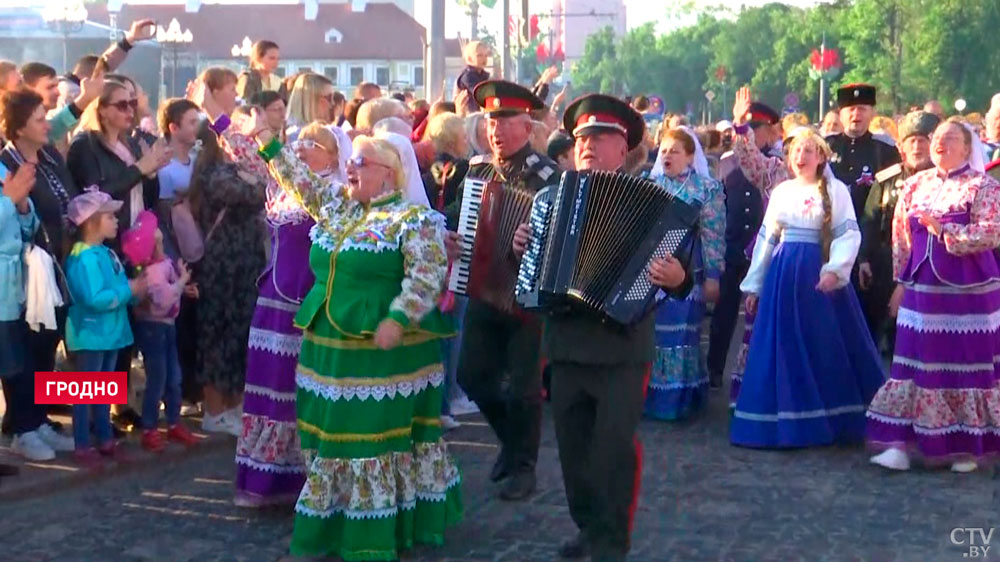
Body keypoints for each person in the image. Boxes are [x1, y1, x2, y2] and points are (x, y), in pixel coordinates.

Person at [247, 113, 462, 559]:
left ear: (390, 171)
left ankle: (373, 532)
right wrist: (267, 139)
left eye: (361, 162)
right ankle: (337, 515)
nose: (351, 167)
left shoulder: (413, 219)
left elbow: (426, 275)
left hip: (381, 357)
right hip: (327, 351)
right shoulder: (338, 206)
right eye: (352, 161)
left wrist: (398, 318)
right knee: (327, 436)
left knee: (367, 440)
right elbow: (300, 179)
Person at [512, 94, 691, 562]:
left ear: (623, 147)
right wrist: (521, 248)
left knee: (612, 449)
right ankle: (588, 526)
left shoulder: (656, 201)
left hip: (622, 348)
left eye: (601, 138)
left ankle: (612, 540)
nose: (588, 146)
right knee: (572, 451)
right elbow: (532, 266)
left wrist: (678, 277)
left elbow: (682, 271)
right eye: (582, 138)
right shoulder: (551, 198)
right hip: (567, 344)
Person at [731, 127, 885, 449]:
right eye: (796, 151)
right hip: (784, 276)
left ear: (820, 157)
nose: (801, 157)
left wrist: (835, 270)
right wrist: (756, 285)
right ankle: (785, 419)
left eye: (808, 151)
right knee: (784, 343)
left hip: (819, 278)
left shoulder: (836, 190)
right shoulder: (782, 192)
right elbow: (766, 239)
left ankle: (832, 417)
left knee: (823, 342)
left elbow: (848, 234)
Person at [867, 118, 1000, 473]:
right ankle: (900, 443)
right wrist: (900, 280)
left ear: (967, 147)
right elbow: (900, 236)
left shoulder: (983, 186)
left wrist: (945, 232)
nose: (940, 143)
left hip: (968, 293)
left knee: (964, 366)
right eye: (936, 138)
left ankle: (966, 447)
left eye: (950, 138)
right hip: (922, 289)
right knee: (911, 362)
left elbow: (991, 233)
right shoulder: (914, 185)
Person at [445, 80, 557, 501]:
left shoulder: (550, 176)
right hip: (484, 288)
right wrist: (452, 234)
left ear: (527, 128)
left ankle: (523, 468)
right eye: (492, 121)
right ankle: (512, 444)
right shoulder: (475, 170)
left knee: (526, 386)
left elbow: (562, 241)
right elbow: (458, 215)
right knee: (471, 374)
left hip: (529, 296)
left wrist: (533, 242)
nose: (496, 130)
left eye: (506, 122)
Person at [0, 89, 80, 461]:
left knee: (44, 347)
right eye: (38, 118)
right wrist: (10, 202)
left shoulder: (45, 158)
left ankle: (40, 419)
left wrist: (22, 205)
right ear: (18, 128)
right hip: (13, 279)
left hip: (48, 270)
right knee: (18, 357)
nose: (46, 123)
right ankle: (22, 428)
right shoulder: (4, 164)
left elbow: (30, 219)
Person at [187, 118, 267, 436]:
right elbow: (256, 193)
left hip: (245, 264)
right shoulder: (215, 175)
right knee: (217, 336)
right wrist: (254, 179)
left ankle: (234, 406)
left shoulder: (229, 172)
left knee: (239, 336)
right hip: (221, 266)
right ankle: (214, 409)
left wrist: (254, 178)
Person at [644, 127, 725, 420]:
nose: (667, 156)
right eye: (663, 150)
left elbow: (714, 234)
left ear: (690, 157)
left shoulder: (706, 189)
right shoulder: (647, 184)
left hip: (689, 269)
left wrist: (714, 276)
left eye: (675, 151)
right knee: (654, 333)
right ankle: (649, 396)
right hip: (651, 271)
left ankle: (679, 400)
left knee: (681, 335)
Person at [64, 189, 148, 467]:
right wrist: (130, 290)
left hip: (109, 333)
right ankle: (83, 443)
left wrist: (137, 291)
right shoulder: (84, 258)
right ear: (91, 222)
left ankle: (104, 438)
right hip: (91, 334)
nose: (116, 220)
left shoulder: (105, 252)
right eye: (109, 216)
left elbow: (117, 288)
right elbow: (93, 298)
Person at [707, 92, 783, 394]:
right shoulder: (727, 162)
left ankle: (757, 374)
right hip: (733, 244)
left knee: (760, 316)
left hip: (762, 249)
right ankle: (714, 368)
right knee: (724, 314)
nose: (754, 133)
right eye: (749, 128)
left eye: (759, 128)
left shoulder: (779, 163)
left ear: (771, 131)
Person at [858, 111, 940, 358]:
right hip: (888, 262)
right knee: (887, 329)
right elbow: (870, 221)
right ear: (901, 146)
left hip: (931, 264)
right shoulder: (886, 180)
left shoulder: (944, 180)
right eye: (911, 141)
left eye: (923, 140)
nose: (917, 147)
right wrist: (863, 259)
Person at [826, 83, 902, 346]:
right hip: (830, 245)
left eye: (862, 109)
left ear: (871, 113)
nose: (856, 114)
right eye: (850, 109)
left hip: (870, 246)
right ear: (840, 113)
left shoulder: (885, 153)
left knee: (868, 323)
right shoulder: (825, 149)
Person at [120, 211, 199, 451]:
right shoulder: (151, 272)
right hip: (154, 328)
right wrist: (182, 282)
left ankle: (173, 422)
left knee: (173, 377)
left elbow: (171, 288)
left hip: (168, 327)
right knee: (158, 378)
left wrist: (183, 288)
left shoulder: (164, 263)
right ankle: (150, 428)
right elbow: (163, 298)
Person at [66, 80, 170, 232]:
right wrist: (139, 169)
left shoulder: (132, 144)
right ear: (102, 110)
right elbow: (93, 199)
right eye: (122, 106)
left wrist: (151, 174)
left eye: (132, 104)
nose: (130, 111)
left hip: (136, 237)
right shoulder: (85, 145)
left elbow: (148, 200)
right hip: (106, 239)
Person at [55, 19, 155, 109]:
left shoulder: (66, 87)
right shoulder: (74, 94)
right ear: (92, 77)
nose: (104, 85)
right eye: (103, 78)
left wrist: (129, 40)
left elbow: (106, 61)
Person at [284, 73, 335, 141]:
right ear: (311, 101)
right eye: (329, 97)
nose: (333, 103)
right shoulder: (294, 137)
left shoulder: (328, 132)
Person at [454, 41, 491, 114]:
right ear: (470, 59)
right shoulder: (467, 76)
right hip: (469, 115)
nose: (484, 59)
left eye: (486, 55)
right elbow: (479, 92)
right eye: (479, 55)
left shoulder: (483, 75)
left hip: (479, 112)